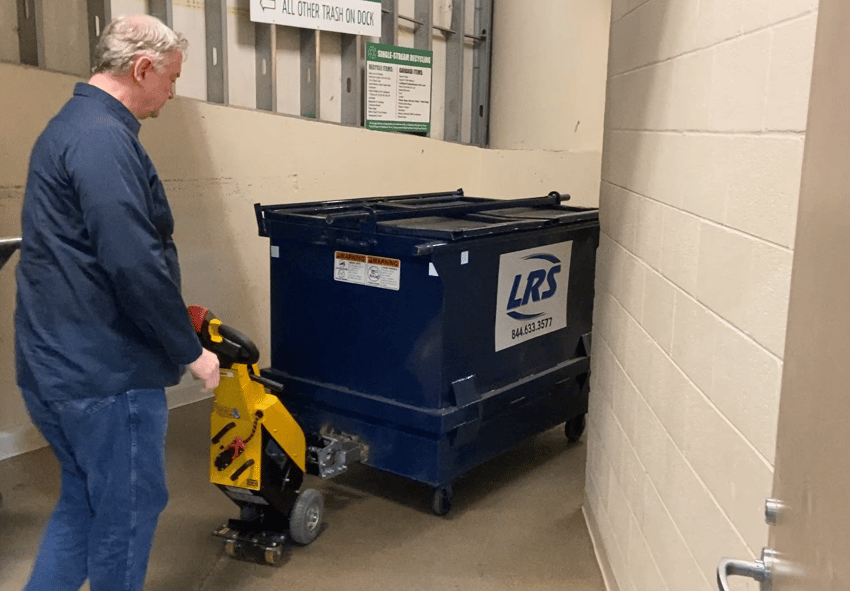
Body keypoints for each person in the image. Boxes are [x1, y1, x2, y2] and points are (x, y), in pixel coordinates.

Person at [14, 15, 220, 591]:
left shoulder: (69, 126)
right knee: (126, 516)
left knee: (84, 503)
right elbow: (132, 263)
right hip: (105, 377)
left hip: (53, 365)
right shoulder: (104, 138)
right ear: (142, 68)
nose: (173, 93)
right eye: (172, 78)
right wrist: (190, 350)